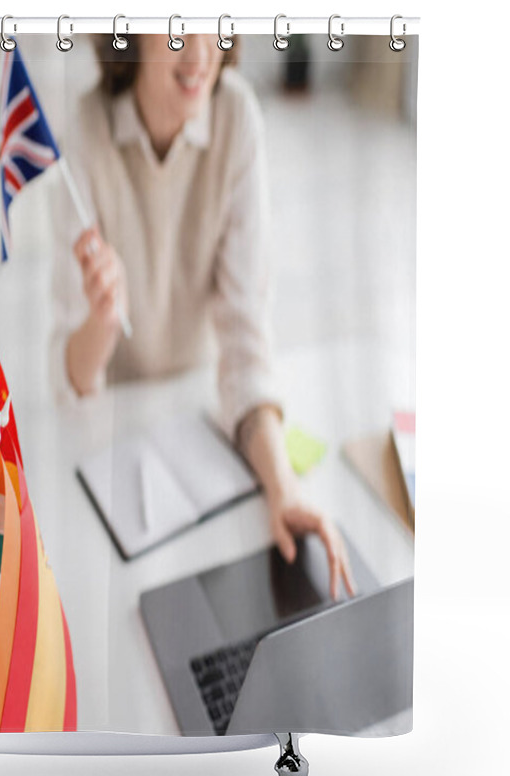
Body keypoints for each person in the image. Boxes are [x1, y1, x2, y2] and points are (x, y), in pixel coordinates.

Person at [51, 34, 355, 599]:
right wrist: (102, 318)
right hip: (111, 433)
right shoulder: (87, 129)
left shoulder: (237, 116)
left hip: (202, 416)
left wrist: (282, 487)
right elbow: (72, 383)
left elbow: (245, 332)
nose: (198, 55)